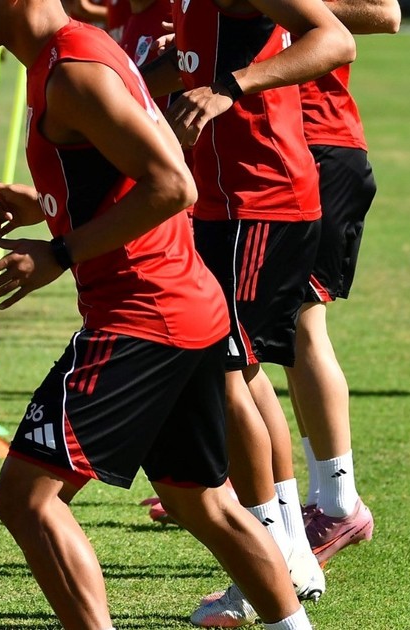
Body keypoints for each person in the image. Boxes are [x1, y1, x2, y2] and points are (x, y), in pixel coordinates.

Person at [0, 0, 313, 628]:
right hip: (182, 309)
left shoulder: (73, 70)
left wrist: (58, 253)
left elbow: (173, 184)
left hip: (143, 317)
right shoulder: (73, 53)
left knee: (27, 498)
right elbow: (129, 168)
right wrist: (49, 202)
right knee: (203, 502)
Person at [141, 0, 354, 621]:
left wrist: (231, 86)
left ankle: (270, 564)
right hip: (224, 204)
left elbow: (336, 38)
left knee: (224, 375)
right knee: (241, 374)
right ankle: (287, 555)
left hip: (259, 204)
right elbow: (192, 65)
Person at [288, 0, 400, 564]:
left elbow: (386, 13)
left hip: (318, 145)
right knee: (282, 333)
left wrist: (272, 10)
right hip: (275, 148)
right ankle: (320, 499)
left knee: (302, 324)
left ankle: (337, 505)